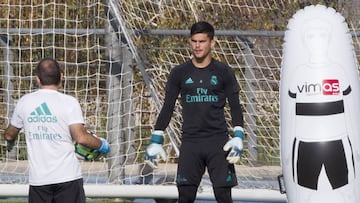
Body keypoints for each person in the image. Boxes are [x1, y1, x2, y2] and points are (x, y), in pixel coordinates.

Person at [145, 21, 244, 203]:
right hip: (191, 143)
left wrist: (239, 135)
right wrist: (156, 138)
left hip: (218, 143)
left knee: (224, 197)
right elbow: (168, 107)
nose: (197, 46)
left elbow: (236, 106)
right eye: (194, 41)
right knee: (185, 197)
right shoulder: (179, 73)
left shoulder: (224, 72)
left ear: (212, 43)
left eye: (202, 41)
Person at [4, 58, 110, 203]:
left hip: (39, 181)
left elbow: (10, 134)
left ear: (37, 79)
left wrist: (9, 139)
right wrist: (102, 145)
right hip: (68, 179)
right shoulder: (69, 102)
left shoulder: (25, 102)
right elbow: (81, 138)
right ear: (61, 76)